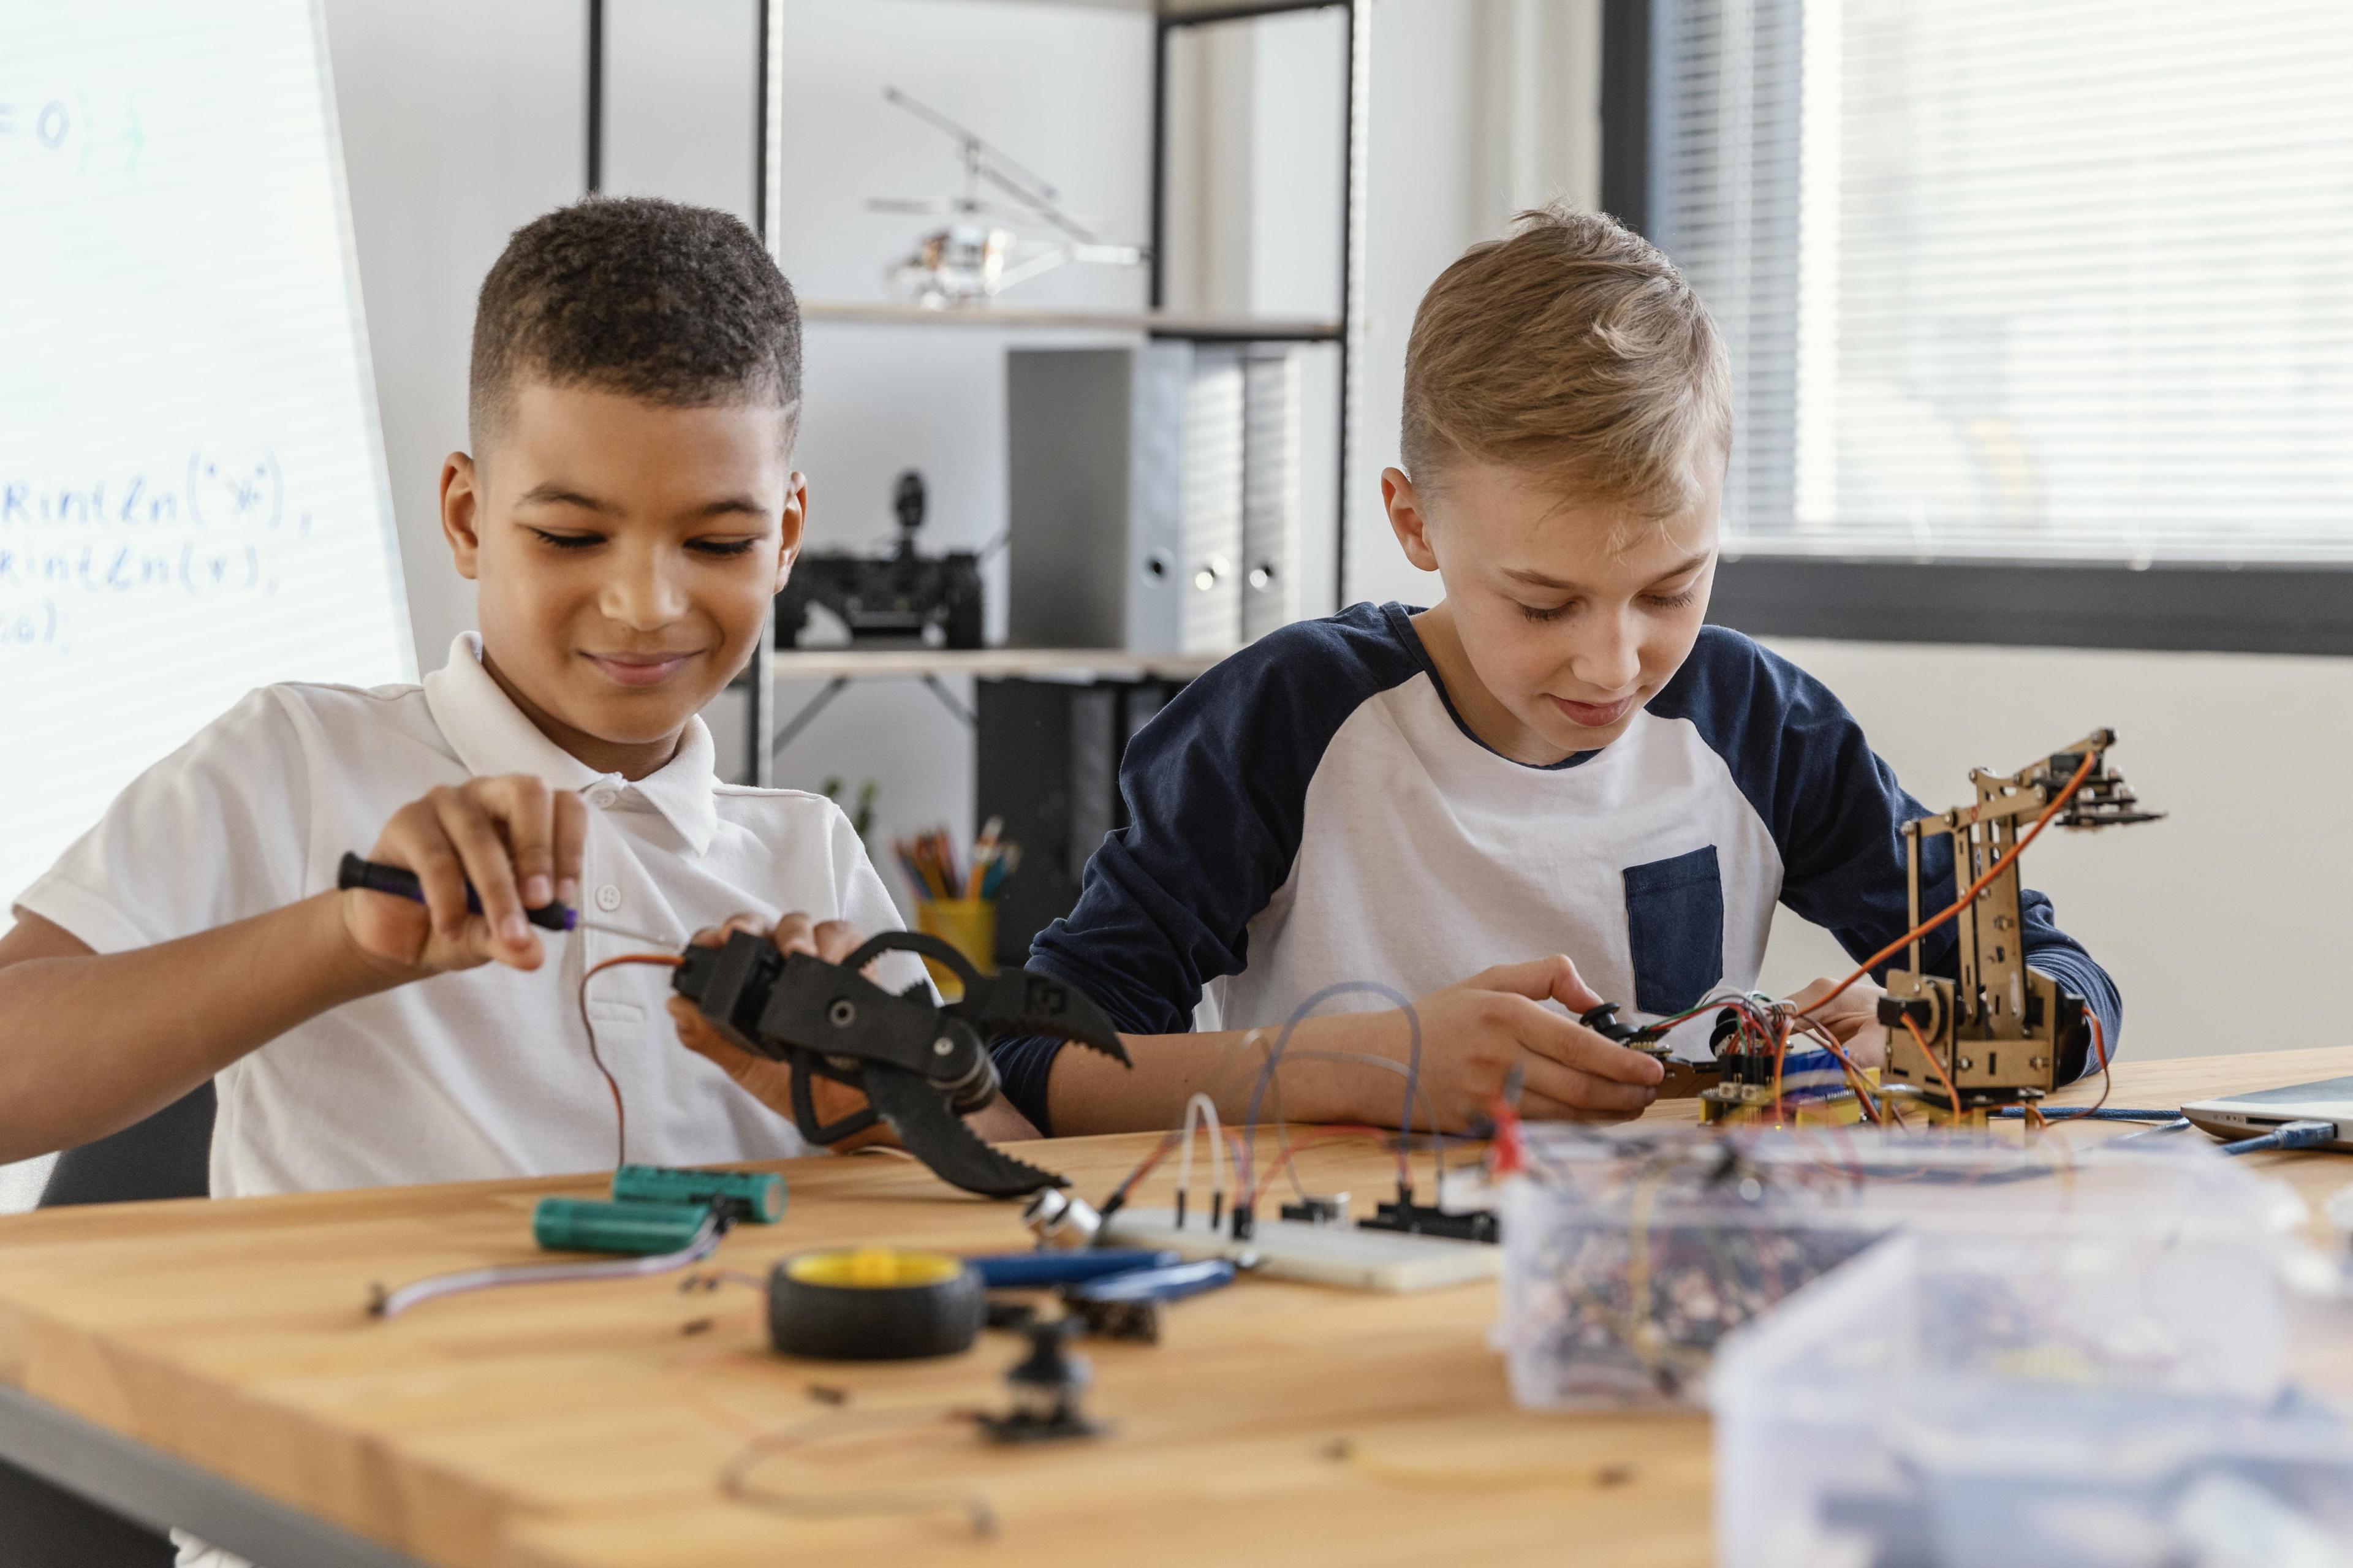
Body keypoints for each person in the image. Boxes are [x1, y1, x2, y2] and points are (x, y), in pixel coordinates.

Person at [946, 205, 2116, 1138]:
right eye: (1543, 602)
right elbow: (1038, 1059)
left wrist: (1932, 1028)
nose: (1616, 663)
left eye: (1671, 590)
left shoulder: (1759, 723)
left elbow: (2066, 981)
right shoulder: (1287, 721)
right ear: (1415, 525)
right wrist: (1370, 1067)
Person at [0, 195, 1015, 1206]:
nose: (646, 605)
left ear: (787, 537)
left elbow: (1007, 1170)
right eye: (573, 537)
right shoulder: (298, 761)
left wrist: (875, 1102)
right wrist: (345, 935)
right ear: (467, 516)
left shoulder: (810, 857)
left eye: (717, 543)